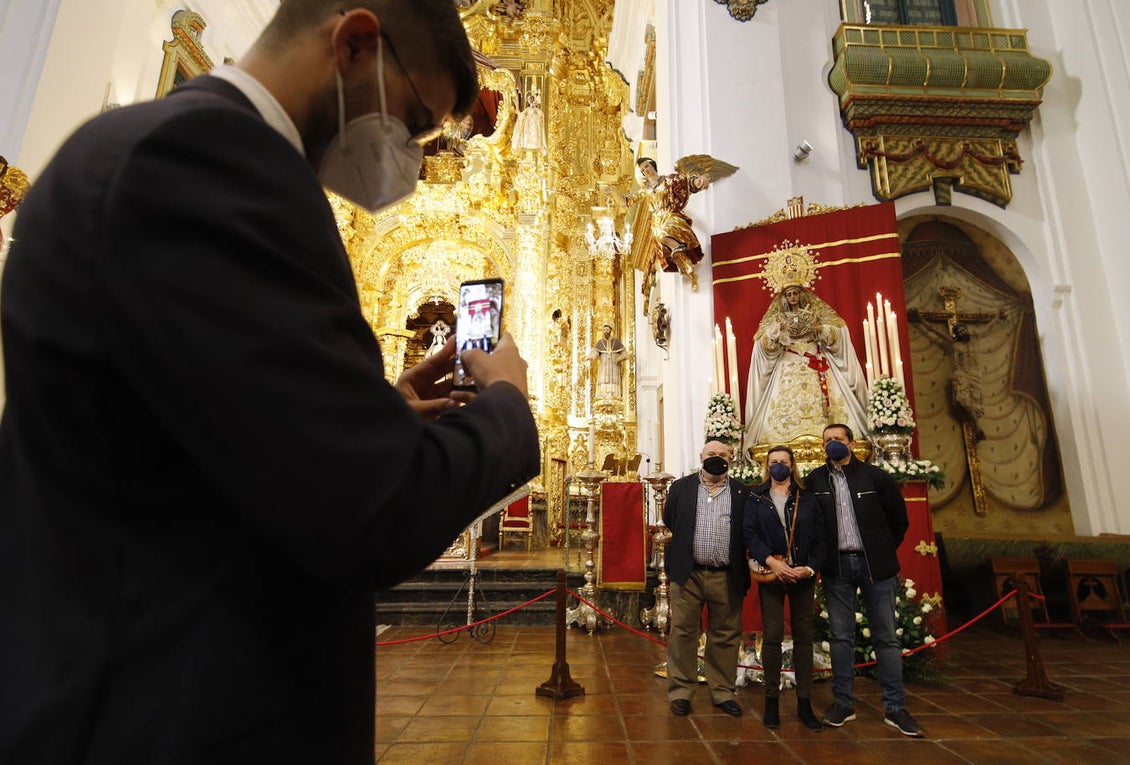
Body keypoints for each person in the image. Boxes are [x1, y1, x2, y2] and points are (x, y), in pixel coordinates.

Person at [0, 3, 540, 763]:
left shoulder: (175, 151)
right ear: (354, 43)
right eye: (415, 121)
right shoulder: (206, 163)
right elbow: (379, 508)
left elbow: (197, 437)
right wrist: (509, 404)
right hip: (171, 720)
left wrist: (373, 408)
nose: (413, 159)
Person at [804, 424, 925, 738]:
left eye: (838, 440)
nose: (833, 444)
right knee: (841, 637)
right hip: (837, 567)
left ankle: (895, 707)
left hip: (876, 567)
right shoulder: (816, 479)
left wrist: (880, 548)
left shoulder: (875, 477)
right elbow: (812, 524)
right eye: (828, 440)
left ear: (851, 443)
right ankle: (843, 703)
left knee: (886, 637)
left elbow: (898, 520)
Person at [662, 440, 752, 718]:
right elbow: (670, 520)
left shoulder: (741, 492)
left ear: (731, 458)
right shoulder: (682, 487)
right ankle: (680, 692)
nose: (717, 458)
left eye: (722, 455)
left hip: (726, 574)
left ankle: (723, 691)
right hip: (688, 573)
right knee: (683, 632)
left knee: (725, 634)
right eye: (711, 454)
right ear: (701, 457)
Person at [743, 444, 826, 731]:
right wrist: (773, 563)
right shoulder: (755, 497)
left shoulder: (808, 498)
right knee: (773, 635)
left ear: (792, 466)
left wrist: (809, 568)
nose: (779, 465)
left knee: (804, 635)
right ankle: (771, 701)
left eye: (784, 461)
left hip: (802, 574)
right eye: (773, 461)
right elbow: (749, 535)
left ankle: (804, 702)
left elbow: (821, 539)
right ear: (767, 466)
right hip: (771, 572)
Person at [742, 284, 870, 455]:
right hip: (787, 364)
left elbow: (837, 333)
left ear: (802, 295)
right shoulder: (778, 318)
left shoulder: (815, 313)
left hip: (815, 360)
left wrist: (818, 329)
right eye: (789, 294)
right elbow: (764, 344)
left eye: (795, 293)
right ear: (784, 298)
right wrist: (777, 332)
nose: (793, 297)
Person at [629, 157, 710, 290]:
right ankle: (685, 264)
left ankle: (680, 250)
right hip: (656, 220)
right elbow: (628, 201)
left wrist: (699, 181)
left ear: (653, 166)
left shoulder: (668, 180)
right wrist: (613, 193)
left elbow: (685, 183)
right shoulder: (645, 190)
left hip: (669, 214)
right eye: (643, 170)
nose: (646, 170)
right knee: (664, 240)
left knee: (664, 235)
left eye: (647, 166)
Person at [587, 324, 627, 399]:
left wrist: (618, 358)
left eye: (607, 330)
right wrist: (590, 357)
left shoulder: (616, 342)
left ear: (610, 331)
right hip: (604, 364)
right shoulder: (600, 342)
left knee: (613, 379)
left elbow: (625, 354)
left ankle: (614, 394)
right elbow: (595, 352)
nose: (605, 332)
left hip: (613, 365)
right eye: (604, 330)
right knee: (603, 378)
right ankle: (603, 394)